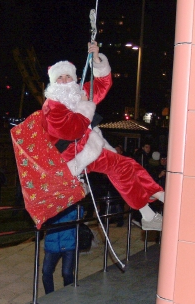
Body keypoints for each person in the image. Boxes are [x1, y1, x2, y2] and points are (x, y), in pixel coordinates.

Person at [38, 41, 164, 230]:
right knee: (120, 167)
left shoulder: (78, 93)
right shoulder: (51, 104)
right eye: (60, 78)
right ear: (53, 83)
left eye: (68, 76)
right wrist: (84, 106)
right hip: (73, 154)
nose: (65, 81)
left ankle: (158, 198)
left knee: (127, 164)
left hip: (86, 145)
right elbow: (70, 131)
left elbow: (103, 84)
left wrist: (97, 59)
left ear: (74, 78)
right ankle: (149, 213)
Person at [42, 206, 80, 294]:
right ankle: (49, 295)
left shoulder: (71, 201)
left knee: (67, 273)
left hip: (68, 243)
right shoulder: (49, 203)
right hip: (52, 243)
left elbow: (78, 215)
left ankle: (68, 295)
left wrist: (65, 206)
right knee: (46, 272)